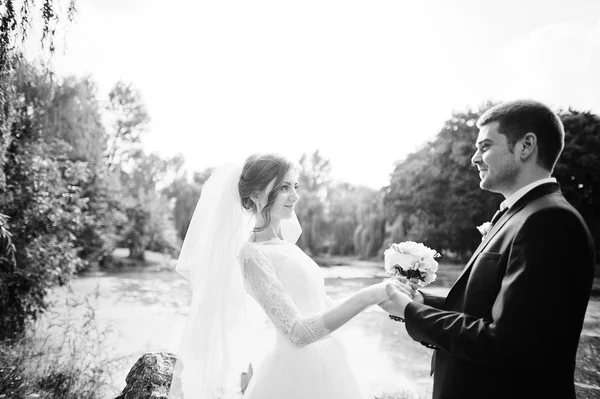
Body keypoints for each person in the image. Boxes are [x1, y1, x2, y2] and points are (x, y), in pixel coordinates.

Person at [381, 99, 595, 399]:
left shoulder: (549, 221)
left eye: (485, 146)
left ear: (525, 146)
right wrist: (419, 300)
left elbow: (507, 343)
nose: (474, 158)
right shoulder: (518, 215)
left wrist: (411, 313)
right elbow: (483, 310)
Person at [169, 153, 409, 399]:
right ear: (255, 195)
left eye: (295, 186)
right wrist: (369, 294)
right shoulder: (252, 255)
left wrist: (385, 298)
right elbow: (297, 333)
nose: (295, 197)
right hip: (295, 377)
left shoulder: (288, 247)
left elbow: (322, 307)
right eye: (284, 187)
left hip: (328, 365)